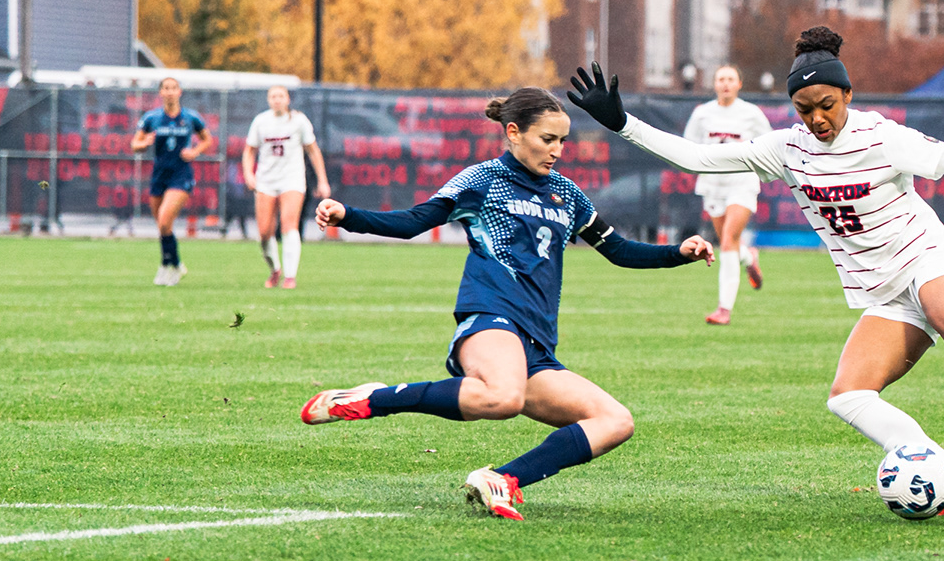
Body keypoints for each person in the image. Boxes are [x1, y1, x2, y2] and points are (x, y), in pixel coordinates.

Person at [568, 27, 944, 517]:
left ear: (848, 95)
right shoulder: (786, 149)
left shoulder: (883, 138)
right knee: (848, 397)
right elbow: (699, 157)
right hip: (883, 291)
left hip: (927, 259)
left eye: (827, 104)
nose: (816, 118)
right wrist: (622, 122)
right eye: (804, 107)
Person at [300, 87, 714, 520]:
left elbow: (620, 250)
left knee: (615, 421)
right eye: (547, 139)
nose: (556, 151)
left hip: (535, 344)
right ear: (513, 133)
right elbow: (413, 222)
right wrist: (348, 215)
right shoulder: (481, 181)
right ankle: (376, 398)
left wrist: (676, 253)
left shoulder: (567, 193)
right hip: (490, 318)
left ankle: (504, 479)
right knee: (503, 398)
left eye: (562, 142)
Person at [682, 64, 772, 323]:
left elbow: (769, 145)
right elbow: (689, 146)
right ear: (714, 83)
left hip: (741, 183)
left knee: (729, 239)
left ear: (739, 84)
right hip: (713, 185)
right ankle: (749, 256)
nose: (725, 83)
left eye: (731, 79)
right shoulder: (702, 114)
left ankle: (724, 309)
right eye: (721, 78)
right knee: (727, 243)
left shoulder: (751, 114)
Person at [243, 85, 330, 289]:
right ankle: (275, 269)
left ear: (288, 99)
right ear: (268, 99)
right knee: (264, 232)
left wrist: (322, 180)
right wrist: (248, 174)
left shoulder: (299, 120)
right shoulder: (261, 121)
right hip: (266, 180)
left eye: (281, 96)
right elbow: (249, 151)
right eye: (273, 96)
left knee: (289, 224)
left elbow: (313, 151)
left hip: (292, 179)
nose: (277, 100)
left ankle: (290, 276)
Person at [130, 76, 213, 286]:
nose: (169, 91)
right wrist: (144, 143)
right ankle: (173, 264)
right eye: (165, 88)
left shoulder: (191, 117)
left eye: (173, 88)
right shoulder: (152, 118)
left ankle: (168, 268)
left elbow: (207, 139)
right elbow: (134, 144)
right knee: (162, 226)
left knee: (166, 220)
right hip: (160, 175)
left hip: (181, 174)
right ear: (160, 93)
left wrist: (194, 152)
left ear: (179, 92)